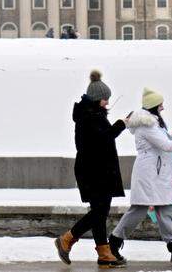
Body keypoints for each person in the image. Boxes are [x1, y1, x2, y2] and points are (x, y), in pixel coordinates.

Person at [108, 87, 172, 265]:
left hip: (158, 172)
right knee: (139, 210)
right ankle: (113, 243)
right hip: (149, 174)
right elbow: (166, 146)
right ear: (153, 106)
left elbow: (163, 141)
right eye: (161, 104)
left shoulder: (153, 123)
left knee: (165, 210)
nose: (163, 107)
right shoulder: (147, 124)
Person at [54, 70, 127, 267]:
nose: (107, 102)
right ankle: (67, 239)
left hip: (98, 171)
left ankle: (104, 254)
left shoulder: (94, 114)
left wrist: (118, 125)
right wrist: (121, 124)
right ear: (96, 99)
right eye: (105, 99)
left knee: (100, 212)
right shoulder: (89, 117)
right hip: (93, 171)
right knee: (99, 212)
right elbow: (102, 139)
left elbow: (103, 137)